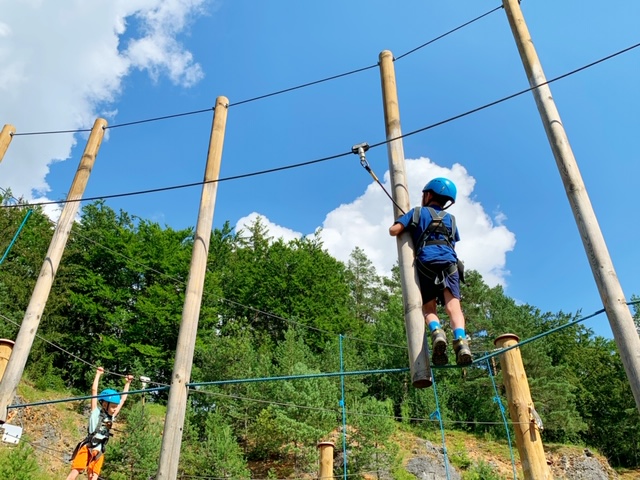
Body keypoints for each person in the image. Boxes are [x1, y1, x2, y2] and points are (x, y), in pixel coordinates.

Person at [389, 177, 472, 366]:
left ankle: (437, 332)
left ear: (428, 194)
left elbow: (394, 230)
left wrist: (406, 221)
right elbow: (453, 240)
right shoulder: (451, 219)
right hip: (449, 263)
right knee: (454, 308)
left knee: (429, 309)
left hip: (426, 264)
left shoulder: (417, 212)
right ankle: (461, 342)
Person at [66, 367, 134, 480]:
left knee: (94, 476)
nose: (114, 409)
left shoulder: (112, 416)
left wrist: (128, 383)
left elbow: (123, 400)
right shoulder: (95, 412)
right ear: (104, 404)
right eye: (112, 406)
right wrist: (98, 375)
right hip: (88, 447)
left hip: (99, 450)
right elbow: (94, 392)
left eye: (115, 407)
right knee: (75, 471)